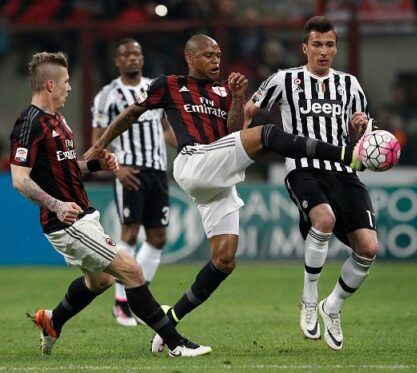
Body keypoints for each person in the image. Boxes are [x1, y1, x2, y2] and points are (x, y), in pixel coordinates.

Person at [85, 34, 364, 352]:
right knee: (267, 133)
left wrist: (235, 98)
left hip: (217, 175)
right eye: (208, 55)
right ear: (190, 58)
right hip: (194, 162)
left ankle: (168, 327)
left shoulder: (221, 92)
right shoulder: (170, 84)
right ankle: (346, 155)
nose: (216, 60)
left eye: (219, 54)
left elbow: (232, 135)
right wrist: (100, 145)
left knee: (225, 260)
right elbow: (131, 114)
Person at [10, 51, 211, 357]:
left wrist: (95, 167)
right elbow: (20, 179)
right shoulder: (29, 123)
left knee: (101, 280)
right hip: (66, 222)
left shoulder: (59, 121)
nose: (70, 87)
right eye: (65, 82)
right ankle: (175, 343)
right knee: (132, 271)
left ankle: (53, 321)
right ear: (49, 85)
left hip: (82, 214)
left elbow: (67, 169)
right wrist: (56, 205)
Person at [244, 16, 378, 351]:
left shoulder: (350, 85)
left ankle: (331, 306)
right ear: (305, 48)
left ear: (336, 48)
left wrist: (362, 129)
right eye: (316, 44)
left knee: (368, 248)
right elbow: (248, 110)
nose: (323, 51)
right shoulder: (283, 80)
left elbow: (363, 140)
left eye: (329, 44)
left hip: (344, 172)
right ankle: (308, 299)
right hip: (302, 167)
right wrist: (238, 154)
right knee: (324, 219)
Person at [92, 38, 176, 327]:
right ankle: (121, 302)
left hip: (157, 171)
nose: (132, 58)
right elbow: (98, 140)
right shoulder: (107, 95)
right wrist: (117, 169)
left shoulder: (155, 88)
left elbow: (165, 130)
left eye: (137, 54)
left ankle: (138, 298)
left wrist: (192, 147)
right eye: (126, 54)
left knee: (158, 238)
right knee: (130, 233)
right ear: (117, 61)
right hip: (130, 169)